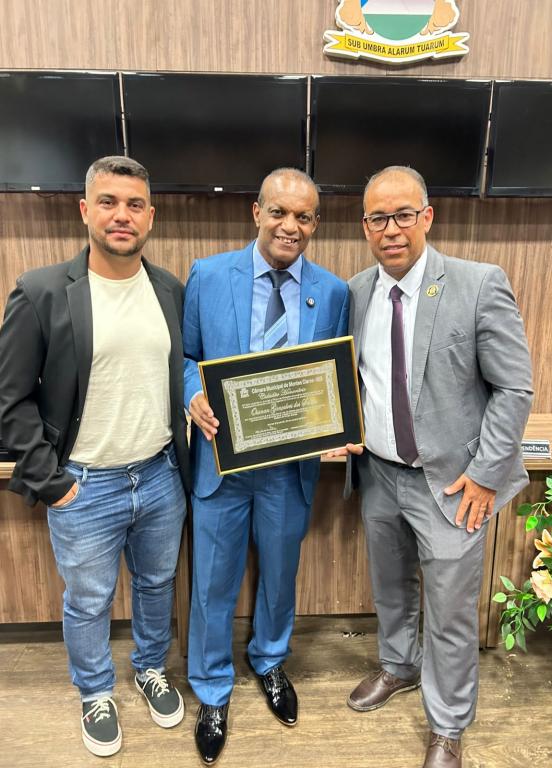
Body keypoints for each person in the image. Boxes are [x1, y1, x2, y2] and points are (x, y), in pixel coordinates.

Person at [334, 166, 532, 768]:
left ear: (427, 216)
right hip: (380, 474)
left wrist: (487, 474)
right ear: (364, 226)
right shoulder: (356, 292)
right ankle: (399, 666)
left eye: (402, 215)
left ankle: (447, 725)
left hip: (453, 483)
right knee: (391, 587)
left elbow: (514, 389)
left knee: (449, 611)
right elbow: (355, 380)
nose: (390, 229)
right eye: (377, 218)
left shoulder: (478, 284)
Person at [0, 156, 191, 758]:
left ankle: (150, 668)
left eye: (134, 205)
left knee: (157, 586)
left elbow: (182, 372)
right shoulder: (40, 292)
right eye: (108, 202)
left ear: (151, 216)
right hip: (84, 486)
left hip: (160, 476)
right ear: (85, 210)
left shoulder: (169, 290)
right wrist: (52, 483)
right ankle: (95, 692)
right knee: (87, 601)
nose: (121, 215)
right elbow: (10, 400)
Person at [183, 167, 349, 764]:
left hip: (289, 468)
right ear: (256, 212)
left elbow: (335, 374)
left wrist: (336, 424)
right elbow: (186, 356)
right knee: (212, 583)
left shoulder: (333, 292)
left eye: (303, 216)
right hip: (221, 462)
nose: (290, 226)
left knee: (280, 576)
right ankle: (211, 688)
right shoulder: (207, 275)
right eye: (279, 212)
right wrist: (192, 393)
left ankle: (271, 660)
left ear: (316, 224)